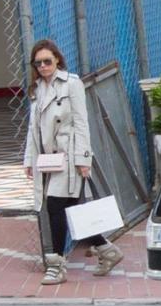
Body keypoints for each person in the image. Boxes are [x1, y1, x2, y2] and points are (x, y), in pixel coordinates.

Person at [22, 39, 122, 285]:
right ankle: (107, 251)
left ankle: (56, 265)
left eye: (47, 61)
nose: (44, 66)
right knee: (73, 212)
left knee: (55, 207)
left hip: (68, 158)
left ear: (57, 59)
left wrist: (83, 158)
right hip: (47, 159)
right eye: (39, 63)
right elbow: (32, 129)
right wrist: (28, 160)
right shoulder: (37, 89)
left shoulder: (72, 84)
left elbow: (81, 123)